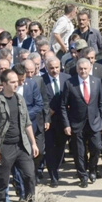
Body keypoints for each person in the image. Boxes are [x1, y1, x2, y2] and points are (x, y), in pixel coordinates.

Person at [0, 69, 39, 202]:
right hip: (4, 147)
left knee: (30, 177)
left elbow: (27, 123)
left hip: (21, 145)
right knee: (2, 182)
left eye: (17, 81)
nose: (17, 84)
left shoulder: (20, 99)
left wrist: (33, 143)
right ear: (4, 83)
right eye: (13, 82)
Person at [61, 58, 102, 188]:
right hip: (77, 123)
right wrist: (67, 124)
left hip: (94, 122)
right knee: (79, 152)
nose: (83, 71)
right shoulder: (70, 83)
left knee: (96, 147)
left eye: (85, 68)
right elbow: (63, 106)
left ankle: (92, 169)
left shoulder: (97, 82)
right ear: (77, 69)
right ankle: (83, 176)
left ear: (90, 68)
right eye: (80, 69)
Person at [43, 57, 71, 188]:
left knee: (60, 148)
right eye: (51, 68)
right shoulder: (42, 80)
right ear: (46, 68)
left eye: (57, 67)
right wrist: (48, 114)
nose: (54, 70)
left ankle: (56, 169)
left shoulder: (67, 78)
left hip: (63, 121)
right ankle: (53, 176)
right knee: (49, 149)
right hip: (48, 121)